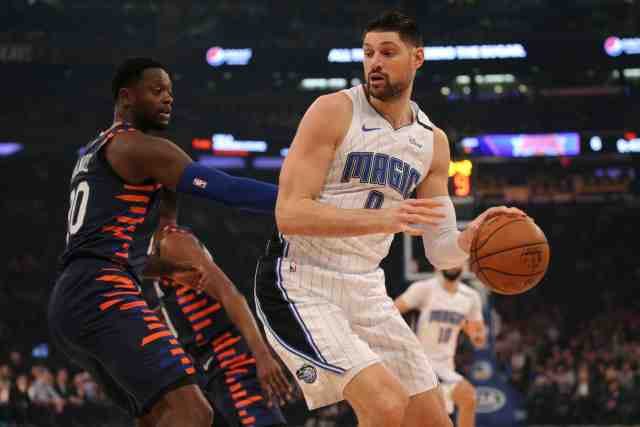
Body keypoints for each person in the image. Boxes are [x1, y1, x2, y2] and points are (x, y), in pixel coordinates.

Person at [254, 11, 526, 427]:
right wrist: (385, 218)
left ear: (417, 57)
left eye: (387, 52)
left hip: (366, 288)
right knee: (385, 405)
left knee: (433, 420)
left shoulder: (432, 142)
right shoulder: (333, 111)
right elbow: (289, 214)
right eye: (368, 53)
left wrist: (471, 236)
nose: (374, 63)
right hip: (300, 280)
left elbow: (440, 252)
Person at [48, 57, 287, 427]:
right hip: (104, 294)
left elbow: (103, 247)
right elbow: (226, 189)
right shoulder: (139, 147)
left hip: (69, 300)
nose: (168, 99)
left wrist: (164, 269)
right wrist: (295, 201)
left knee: (156, 417)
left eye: (170, 92)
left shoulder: (93, 152)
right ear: (126, 97)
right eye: (157, 90)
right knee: (194, 413)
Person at [145, 224, 288, 427]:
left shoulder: (172, 242)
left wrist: (262, 355)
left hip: (231, 364)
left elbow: (230, 293)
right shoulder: (158, 254)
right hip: (212, 372)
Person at [395, 267, 486, 427]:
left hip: (446, 366)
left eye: (455, 260)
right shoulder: (424, 288)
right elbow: (391, 312)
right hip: (421, 364)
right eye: (447, 260)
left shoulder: (471, 296)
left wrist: (475, 335)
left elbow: (479, 336)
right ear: (437, 263)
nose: (451, 265)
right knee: (468, 397)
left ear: (464, 264)